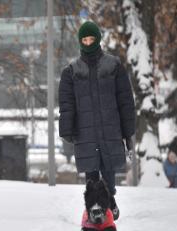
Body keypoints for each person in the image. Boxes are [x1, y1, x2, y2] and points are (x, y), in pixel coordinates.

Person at [58, 21, 135, 220]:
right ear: (80, 41)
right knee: (91, 174)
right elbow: (67, 103)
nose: (88, 42)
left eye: (92, 38)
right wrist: (67, 128)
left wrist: (128, 132)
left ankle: (110, 200)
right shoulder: (71, 71)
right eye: (84, 39)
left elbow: (125, 101)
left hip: (110, 129)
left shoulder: (114, 66)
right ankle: (94, 208)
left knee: (108, 170)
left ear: (98, 39)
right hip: (85, 132)